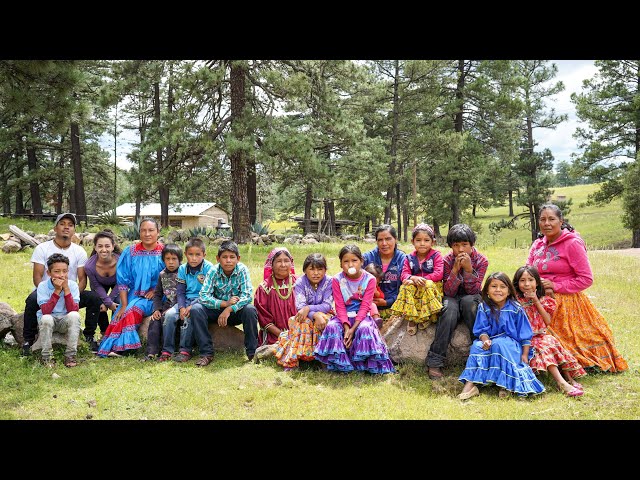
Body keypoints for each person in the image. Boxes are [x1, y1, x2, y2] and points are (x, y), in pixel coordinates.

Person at [527, 204, 628, 372]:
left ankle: (566, 361)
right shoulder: (537, 244)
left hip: (566, 300)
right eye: (543, 219)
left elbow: (586, 279)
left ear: (561, 221)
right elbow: (528, 270)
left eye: (552, 219)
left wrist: (555, 286)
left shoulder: (572, 243)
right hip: (538, 297)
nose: (547, 223)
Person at [22, 213, 101, 356]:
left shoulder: (79, 251)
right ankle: (28, 340)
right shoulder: (42, 248)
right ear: (55, 228)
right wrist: (49, 291)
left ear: (74, 230)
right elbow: (38, 277)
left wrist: (71, 293)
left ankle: (89, 336)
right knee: (32, 300)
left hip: (69, 291)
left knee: (94, 298)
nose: (66, 227)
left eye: (70, 225)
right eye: (62, 224)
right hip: (47, 291)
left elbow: (82, 279)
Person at [457, 272, 545, 400]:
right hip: (491, 342)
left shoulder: (516, 309)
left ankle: (504, 385)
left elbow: (525, 334)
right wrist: (485, 340)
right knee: (477, 346)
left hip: (511, 346)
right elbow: (481, 329)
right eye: (494, 286)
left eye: (502, 287)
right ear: (487, 290)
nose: (498, 290)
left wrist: (525, 355)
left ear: (509, 291)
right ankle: (470, 386)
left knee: (500, 343)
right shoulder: (484, 307)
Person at [314, 244, 395, 374]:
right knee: (332, 327)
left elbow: (365, 306)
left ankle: (364, 364)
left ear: (361, 262)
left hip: (362, 317)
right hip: (343, 316)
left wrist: (353, 328)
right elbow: (339, 306)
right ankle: (337, 363)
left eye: (354, 260)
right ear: (341, 264)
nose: (350, 265)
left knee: (365, 328)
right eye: (346, 261)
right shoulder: (337, 280)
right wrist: (346, 327)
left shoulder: (370, 279)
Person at [179, 240, 258, 366]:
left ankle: (252, 352)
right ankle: (206, 353)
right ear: (218, 259)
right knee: (196, 309)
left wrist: (229, 309)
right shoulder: (213, 271)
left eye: (232, 257)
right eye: (224, 257)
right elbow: (204, 296)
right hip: (216, 310)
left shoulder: (242, 270)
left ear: (238, 258)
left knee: (250, 310)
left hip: (234, 312)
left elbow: (247, 295)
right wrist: (224, 304)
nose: (228, 261)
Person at [425, 223, 488, 380]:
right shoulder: (446, 261)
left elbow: (473, 291)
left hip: (471, 297)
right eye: (456, 245)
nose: (460, 250)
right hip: (451, 297)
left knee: (470, 304)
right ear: (451, 246)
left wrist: (468, 270)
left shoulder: (481, 261)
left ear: (472, 244)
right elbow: (448, 291)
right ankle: (435, 359)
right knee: (448, 309)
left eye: (465, 245)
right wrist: (454, 270)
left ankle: (481, 356)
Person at [513, 265, 585, 397]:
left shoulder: (545, 300)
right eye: (522, 280)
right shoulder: (514, 301)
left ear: (537, 282)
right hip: (524, 339)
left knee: (550, 341)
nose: (527, 284)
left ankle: (568, 378)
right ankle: (562, 383)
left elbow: (547, 321)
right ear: (517, 283)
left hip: (540, 336)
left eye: (531, 280)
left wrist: (535, 300)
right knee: (543, 346)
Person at [97, 218, 165, 357]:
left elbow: (171, 276)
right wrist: (123, 304)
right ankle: (113, 346)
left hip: (156, 296)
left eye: (151, 230)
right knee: (120, 314)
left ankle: (124, 348)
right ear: (139, 232)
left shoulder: (165, 252)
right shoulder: (130, 252)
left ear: (158, 232)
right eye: (143, 230)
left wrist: (155, 291)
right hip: (133, 294)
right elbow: (122, 282)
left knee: (132, 311)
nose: (147, 234)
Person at [158, 238, 214, 362]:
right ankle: (167, 350)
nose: (194, 258)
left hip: (201, 301)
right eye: (190, 254)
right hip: (185, 301)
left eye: (197, 255)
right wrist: (182, 307)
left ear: (204, 255)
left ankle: (185, 350)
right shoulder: (183, 269)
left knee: (188, 317)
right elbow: (180, 291)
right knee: (169, 315)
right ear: (185, 255)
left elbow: (208, 293)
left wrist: (190, 307)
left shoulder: (209, 268)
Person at [274, 253, 333, 370]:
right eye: (312, 269)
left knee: (325, 322)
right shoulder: (300, 282)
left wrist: (308, 309)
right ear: (305, 270)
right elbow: (300, 306)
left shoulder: (329, 281)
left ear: (325, 270)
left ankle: (323, 360)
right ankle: (293, 360)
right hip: (305, 315)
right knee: (302, 323)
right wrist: (314, 314)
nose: (316, 273)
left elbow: (327, 305)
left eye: (320, 269)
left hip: (325, 314)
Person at [390, 223, 444, 335]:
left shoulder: (436, 256)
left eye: (426, 240)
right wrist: (412, 278)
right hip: (415, 286)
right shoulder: (409, 258)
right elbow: (404, 273)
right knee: (405, 286)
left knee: (427, 284)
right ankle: (412, 318)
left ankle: (427, 317)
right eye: (418, 240)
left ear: (432, 242)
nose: (422, 243)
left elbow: (439, 273)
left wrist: (422, 279)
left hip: (431, 287)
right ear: (412, 242)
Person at [35, 253, 81, 368]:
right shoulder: (42, 286)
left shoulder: (73, 285)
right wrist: (57, 290)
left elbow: (73, 309)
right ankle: (47, 357)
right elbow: (45, 311)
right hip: (49, 321)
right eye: (57, 271)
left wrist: (65, 289)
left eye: (65, 271)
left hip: (64, 320)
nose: (61, 275)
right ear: (48, 273)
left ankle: (70, 355)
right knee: (46, 318)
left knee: (75, 315)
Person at [83, 229, 121, 352]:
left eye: (107, 246)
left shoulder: (121, 261)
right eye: (100, 246)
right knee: (98, 304)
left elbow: (121, 284)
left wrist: (110, 303)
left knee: (120, 302)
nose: (103, 249)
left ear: (113, 246)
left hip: (118, 285)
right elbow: (97, 286)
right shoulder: (89, 266)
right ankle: (105, 333)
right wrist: (106, 303)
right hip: (99, 285)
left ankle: (117, 334)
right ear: (95, 247)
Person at [143, 244, 182, 361]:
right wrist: (157, 309)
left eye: (174, 259)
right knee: (155, 321)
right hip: (167, 305)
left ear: (180, 260)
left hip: (180, 305)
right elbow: (158, 294)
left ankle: (170, 349)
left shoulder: (183, 272)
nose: (171, 262)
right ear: (163, 260)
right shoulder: (162, 275)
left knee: (171, 320)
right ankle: (152, 352)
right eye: (167, 259)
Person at [255, 247, 298, 346]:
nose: (283, 265)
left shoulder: (299, 283)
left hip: (300, 331)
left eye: (286, 261)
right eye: (279, 261)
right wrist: (282, 335)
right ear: (271, 264)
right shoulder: (264, 288)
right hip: (274, 335)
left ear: (291, 263)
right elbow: (264, 319)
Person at [362, 224, 407, 319]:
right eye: (380, 240)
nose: (384, 243)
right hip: (366, 306)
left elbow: (405, 288)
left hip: (395, 306)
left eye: (388, 239)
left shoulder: (402, 259)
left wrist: (388, 301)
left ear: (396, 239)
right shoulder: (367, 258)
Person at [363, 263, 384, 328]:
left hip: (370, 305)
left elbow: (382, 296)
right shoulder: (361, 286)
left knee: (373, 305)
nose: (374, 284)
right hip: (361, 304)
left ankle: (376, 320)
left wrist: (376, 292)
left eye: (377, 283)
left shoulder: (376, 288)